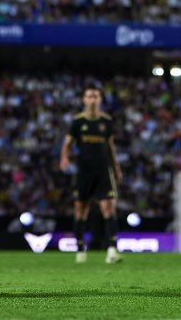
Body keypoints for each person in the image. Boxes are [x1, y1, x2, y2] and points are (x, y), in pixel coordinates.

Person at [59, 84, 124, 265]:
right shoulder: (78, 122)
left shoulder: (106, 121)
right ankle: (80, 250)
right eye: (89, 96)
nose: (92, 99)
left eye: (96, 96)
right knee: (81, 209)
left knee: (109, 208)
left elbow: (111, 147)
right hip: (84, 171)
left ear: (100, 100)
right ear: (84, 100)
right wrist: (64, 158)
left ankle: (112, 250)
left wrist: (116, 168)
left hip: (104, 171)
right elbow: (67, 144)